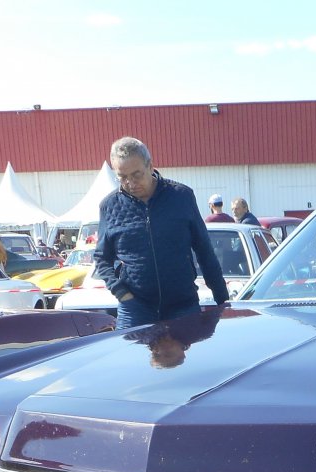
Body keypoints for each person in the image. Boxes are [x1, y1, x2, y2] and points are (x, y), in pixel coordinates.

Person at [94, 137, 229, 331]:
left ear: (150, 166)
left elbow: (204, 251)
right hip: (135, 308)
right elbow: (101, 258)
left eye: (136, 174)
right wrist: (121, 293)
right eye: (122, 177)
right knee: (128, 352)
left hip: (182, 305)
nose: (130, 183)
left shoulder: (181, 197)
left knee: (190, 352)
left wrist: (223, 302)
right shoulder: (109, 206)